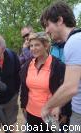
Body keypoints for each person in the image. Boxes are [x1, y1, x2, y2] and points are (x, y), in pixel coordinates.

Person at [40, 1, 81, 131]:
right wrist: (58, 105)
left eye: (47, 25)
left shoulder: (74, 42)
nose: (46, 30)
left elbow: (70, 88)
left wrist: (47, 107)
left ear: (59, 20)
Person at [20, 32, 69, 132]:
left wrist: (64, 111)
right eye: (31, 46)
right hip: (31, 112)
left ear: (46, 45)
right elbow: (24, 87)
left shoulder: (58, 66)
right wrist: (23, 105)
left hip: (50, 115)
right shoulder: (27, 65)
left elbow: (65, 89)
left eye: (37, 45)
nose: (33, 48)